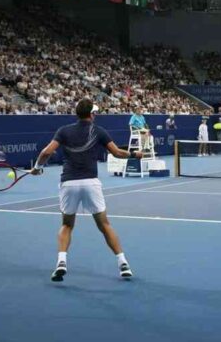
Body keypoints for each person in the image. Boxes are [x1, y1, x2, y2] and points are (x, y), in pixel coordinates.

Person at [33, 98, 143, 282]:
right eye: (95, 112)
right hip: (91, 183)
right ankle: (123, 263)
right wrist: (134, 154)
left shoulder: (63, 131)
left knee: (67, 225)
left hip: (69, 184)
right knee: (104, 225)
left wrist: (37, 167)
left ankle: (61, 262)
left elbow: (46, 152)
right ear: (92, 114)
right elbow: (116, 152)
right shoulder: (98, 131)